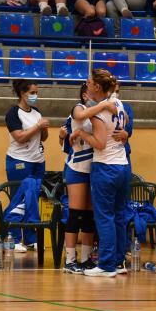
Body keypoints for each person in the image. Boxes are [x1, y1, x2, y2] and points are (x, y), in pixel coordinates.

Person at [71, 69, 131, 277]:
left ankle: (106, 265)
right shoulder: (119, 104)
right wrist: (123, 133)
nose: (86, 84)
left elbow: (100, 143)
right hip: (123, 165)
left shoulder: (98, 112)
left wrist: (81, 133)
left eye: (88, 82)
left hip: (105, 167)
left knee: (104, 217)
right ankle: (118, 261)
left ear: (97, 86)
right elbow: (126, 121)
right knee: (120, 216)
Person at [62, 84, 117, 274]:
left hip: (94, 169)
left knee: (88, 217)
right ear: (86, 95)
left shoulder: (100, 113)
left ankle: (85, 259)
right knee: (75, 215)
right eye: (93, 92)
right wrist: (103, 105)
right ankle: (70, 260)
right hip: (76, 168)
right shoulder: (79, 108)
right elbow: (79, 117)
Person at [5, 79, 50, 253]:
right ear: (23, 93)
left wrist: (44, 129)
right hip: (19, 160)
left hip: (38, 161)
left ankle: (31, 239)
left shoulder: (37, 112)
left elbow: (43, 138)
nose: (35, 96)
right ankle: (13, 238)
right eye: (32, 92)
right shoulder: (13, 113)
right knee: (19, 197)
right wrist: (38, 126)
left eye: (36, 92)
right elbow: (20, 137)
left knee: (33, 199)